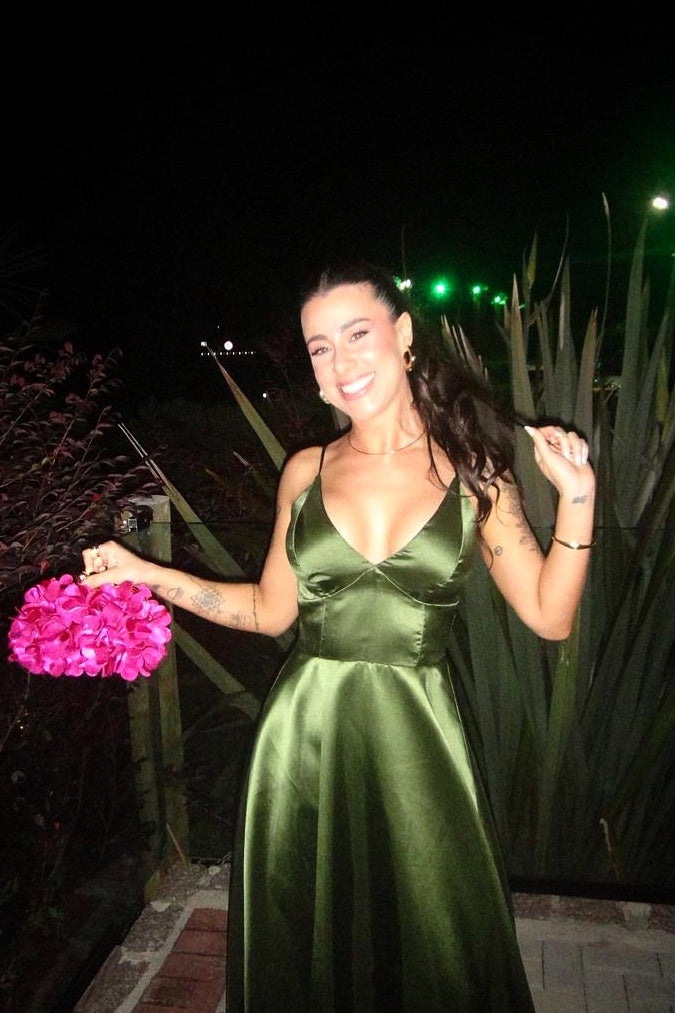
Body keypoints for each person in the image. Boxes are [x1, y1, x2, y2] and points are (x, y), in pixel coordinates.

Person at [80, 261, 595, 1011]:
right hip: (304, 739)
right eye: (319, 347)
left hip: (418, 741)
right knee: (305, 943)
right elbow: (268, 611)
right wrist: (146, 572)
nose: (340, 362)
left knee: (439, 939)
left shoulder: (476, 474)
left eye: (357, 334)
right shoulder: (306, 471)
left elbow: (550, 616)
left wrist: (577, 498)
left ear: (404, 334)